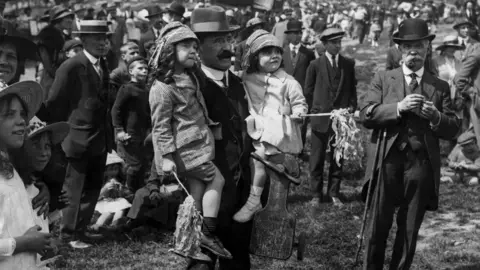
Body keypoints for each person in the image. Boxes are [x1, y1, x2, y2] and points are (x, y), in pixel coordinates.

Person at [360, 18, 461, 269]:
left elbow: (453, 127)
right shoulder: (383, 78)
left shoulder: (439, 86)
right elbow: (366, 114)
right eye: (407, 47)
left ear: (427, 47)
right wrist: (397, 107)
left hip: (420, 164)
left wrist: (436, 117)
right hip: (386, 161)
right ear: (400, 50)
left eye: (418, 45)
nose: (413, 51)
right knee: (377, 228)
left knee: (408, 231)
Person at [148, 21, 231, 260]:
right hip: (184, 150)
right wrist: (165, 157)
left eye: (195, 46)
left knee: (197, 192)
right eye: (186, 46)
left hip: (199, 144)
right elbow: (160, 127)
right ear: (169, 51)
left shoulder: (190, 77)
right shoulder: (162, 88)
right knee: (217, 180)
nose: (194, 51)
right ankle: (208, 233)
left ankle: (187, 241)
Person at [191, 6, 253, 269]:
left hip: (242, 191)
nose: (227, 46)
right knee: (202, 260)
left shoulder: (239, 84)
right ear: (197, 48)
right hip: (207, 192)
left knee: (238, 258)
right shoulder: (190, 87)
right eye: (217, 40)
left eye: (228, 39)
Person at [46, 20, 114, 249]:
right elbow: (54, 102)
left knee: (93, 186)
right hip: (77, 139)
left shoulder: (102, 64)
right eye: (97, 38)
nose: (103, 42)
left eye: (105, 38)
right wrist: (64, 131)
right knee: (73, 189)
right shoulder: (72, 66)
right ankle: (68, 235)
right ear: (83, 40)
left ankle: (81, 230)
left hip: (100, 139)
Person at [233, 30, 307, 222]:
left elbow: (300, 102)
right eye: (267, 52)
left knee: (267, 164)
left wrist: (299, 113)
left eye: (277, 51)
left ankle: (262, 204)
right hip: (258, 128)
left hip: (279, 131)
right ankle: (255, 200)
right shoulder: (247, 77)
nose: (274, 56)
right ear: (256, 57)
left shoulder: (288, 81)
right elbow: (230, 76)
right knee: (257, 161)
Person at [0, 80, 53, 270]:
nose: (22, 120)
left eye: (22, 114)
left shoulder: (11, 169)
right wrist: (24, 243)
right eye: (9, 114)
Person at [304, 28, 357, 207]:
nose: (337, 46)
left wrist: (351, 106)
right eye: (333, 43)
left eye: (339, 42)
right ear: (325, 44)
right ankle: (315, 194)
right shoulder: (315, 65)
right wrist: (314, 111)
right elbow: (308, 91)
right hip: (321, 118)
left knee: (338, 157)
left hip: (340, 120)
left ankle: (334, 193)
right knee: (317, 158)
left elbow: (352, 90)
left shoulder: (348, 64)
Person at [111, 56, 150, 192]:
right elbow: (116, 110)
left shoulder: (146, 90)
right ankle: (127, 193)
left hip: (143, 134)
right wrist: (120, 130)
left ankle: (138, 196)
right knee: (133, 167)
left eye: (146, 68)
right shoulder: (126, 89)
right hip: (129, 135)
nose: (144, 71)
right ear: (131, 71)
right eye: (140, 68)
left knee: (142, 167)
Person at [27, 116, 70, 222]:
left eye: (47, 146)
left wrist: (55, 204)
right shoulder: (12, 181)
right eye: (35, 145)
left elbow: (44, 223)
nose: (44, 153)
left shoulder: (49, 180)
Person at [283, 19, 315, 152]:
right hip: (284, 94)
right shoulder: (281, 53)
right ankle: (286, 149)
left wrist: (308, 93)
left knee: (301, 122)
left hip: (302, 94)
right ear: (288, 35)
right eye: (294, 33)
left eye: (299, 33)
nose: (297, 36)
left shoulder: (308, 54)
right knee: (285, 121)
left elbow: (312, 76)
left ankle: (299, 150)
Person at [36, 6, 74, 101]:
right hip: (51, 78)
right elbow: (47, 62)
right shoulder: (47, 36)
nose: (70, 20)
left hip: (64, 77)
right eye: (67, 18)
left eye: (71, 17)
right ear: (58, 19)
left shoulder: (63, 35)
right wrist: (58, 77)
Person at [92, 151, 132, 231]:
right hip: (105, 201)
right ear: (104, 171)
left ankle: (114, 226)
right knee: (107, 213)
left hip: (117, 200)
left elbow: (124, 194)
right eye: (110, 170)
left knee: (120, 210)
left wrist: (120, 189)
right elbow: (96, 196)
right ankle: (97, 226)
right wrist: (105, 189)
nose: (113, 172)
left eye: (116, 169)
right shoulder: (101, 182)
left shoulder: (120, 180)